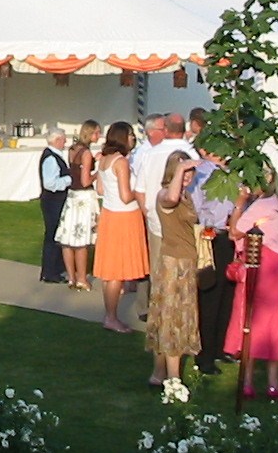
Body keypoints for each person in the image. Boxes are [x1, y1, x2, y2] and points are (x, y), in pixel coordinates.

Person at [223, 166, 278, 400]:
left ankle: (248, 381)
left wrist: (239, 203)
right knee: (275, 323)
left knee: (250, 319)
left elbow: (234, 232)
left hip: (259, 265)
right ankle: (273, 383)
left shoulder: (260, 207)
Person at [131, 113, 198, 319]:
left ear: (166, 130)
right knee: (182, 272)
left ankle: (157, 312)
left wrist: (148, 212)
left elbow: (139, 189)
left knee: (158, 270)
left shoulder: (150, 154)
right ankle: (173, 314)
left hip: (157, 221)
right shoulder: (191, 155)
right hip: (183, 222)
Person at [147, 152, 202, 391]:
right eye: (183, 171)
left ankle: (159, 374)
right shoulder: (166, 195)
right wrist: (181, 169)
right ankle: (173, 380)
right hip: (173, 265)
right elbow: (169, 198)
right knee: (172, 320)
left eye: (191, 172)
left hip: (186, 262)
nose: (188, 176)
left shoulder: (186, 195)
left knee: (171, 319)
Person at [93, 120, 146, 331]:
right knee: (116, 271)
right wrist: (142, 192)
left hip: (109, 215)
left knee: (110, 271)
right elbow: (126, 196)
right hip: (124, 217)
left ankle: (109, 314)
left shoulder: (105, 159)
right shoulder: (121, 162)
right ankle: (112, 317)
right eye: (131, 135)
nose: (133, 138)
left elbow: (100, 189)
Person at [190, 154, 237, 373]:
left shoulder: (236, 172)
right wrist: (210, 232)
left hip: (232, 236)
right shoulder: (202, 174)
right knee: (210, 295)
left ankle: (220, 346)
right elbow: (198, 212)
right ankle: (204, 354)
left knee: (227, 294)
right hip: (212, 236)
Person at [55, 120, 102, 290]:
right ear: (90, 133)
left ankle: (71, 277)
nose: (99, 135)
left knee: (68, 239)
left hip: (71, 197)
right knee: (81, 241)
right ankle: (82, 278)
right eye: (97, 132)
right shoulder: (86, 152)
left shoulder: (73, 149)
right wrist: (98, 172)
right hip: (84, 197)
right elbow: (85, 180)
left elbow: (76, 170)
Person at [37, 127, 70, 283]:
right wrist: (69, 180)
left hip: (54, 200)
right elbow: (50, 183)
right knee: (53, 234)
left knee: (55, 234)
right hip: (53, 200)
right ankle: (50, 271)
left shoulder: (53, 156)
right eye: (64, 139)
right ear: (57, 140)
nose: (66, 142)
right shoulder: (51, 159)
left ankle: (53, 269)